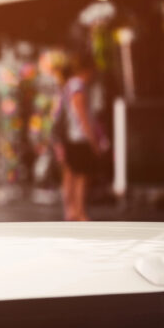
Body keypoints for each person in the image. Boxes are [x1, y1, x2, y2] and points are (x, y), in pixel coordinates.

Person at [52, 52, 102, 221]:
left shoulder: (67, 85)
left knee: (69, 175)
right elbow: (83, 117)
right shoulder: (78, 87)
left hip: (67, 137)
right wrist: (93, 139)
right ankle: (80, 211)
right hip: (78, 138)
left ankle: (70, 210)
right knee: (81, 176)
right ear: (88, 70)